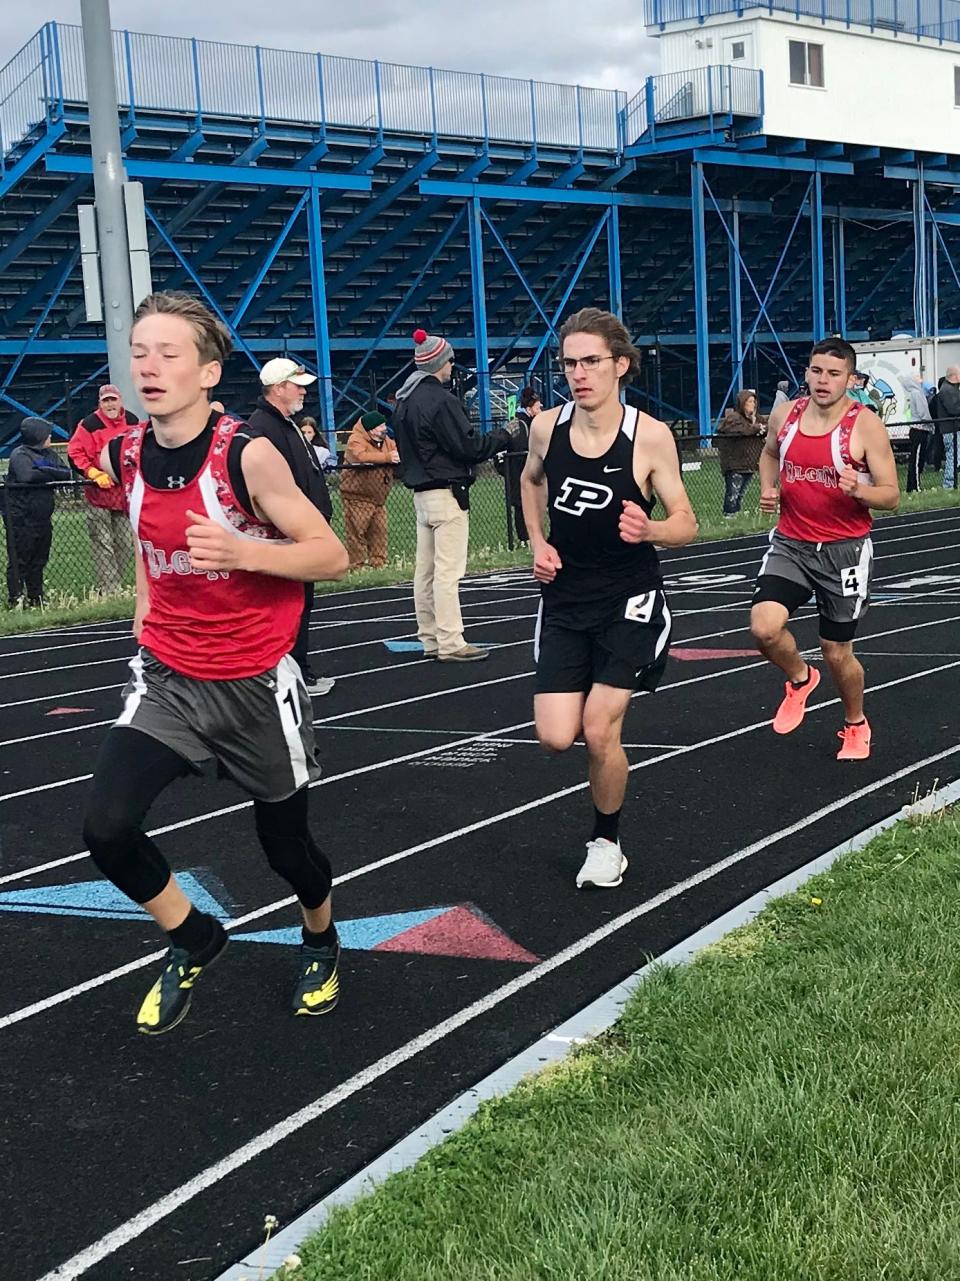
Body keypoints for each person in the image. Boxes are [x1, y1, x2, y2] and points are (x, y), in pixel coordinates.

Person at [81, 291, 349, 1035]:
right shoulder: (125, 451)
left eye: (169, 354)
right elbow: (141, 525)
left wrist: (243, 552)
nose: (149, 366)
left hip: (257, 680)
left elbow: (333, 552)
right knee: (105, 828)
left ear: (208, 372)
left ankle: (321, 938)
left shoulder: (247, 452)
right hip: (168, 675)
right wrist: (145, 593)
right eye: (139, 352)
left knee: (286, 850)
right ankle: (194, 936)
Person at [520, 307, 697, 889]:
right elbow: (530, 479)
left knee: (599, 730)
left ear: (620, 365)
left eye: (591, 361)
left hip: (629, 598)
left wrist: (649, 530)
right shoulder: (546, 427)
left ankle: (607, 842)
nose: (579, 373)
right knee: (553, 736)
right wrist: (538, 541)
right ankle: (604, 814)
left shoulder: (649, 436)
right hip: (566, 598)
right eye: (570, 363)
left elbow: (686, 522)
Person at [751, 337, 899, 762]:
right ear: (806, 373)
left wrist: (860, 489)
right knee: (763, 627)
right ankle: (800, 678)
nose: (823, 380)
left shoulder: (865, 425)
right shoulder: (787, 415)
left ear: (849, 380)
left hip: (845, 551)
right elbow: (768, 454)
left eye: (834, 374)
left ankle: (855, 723)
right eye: (816, 371)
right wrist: (769, 486)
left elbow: (891, 496)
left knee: (837, 652)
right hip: (793, 542)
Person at [391, 326, 510, 662]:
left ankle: (429, 637)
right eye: (449, 361)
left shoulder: (404, 400)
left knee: (425, 571)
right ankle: (451, 641)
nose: (451, 367)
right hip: (446, 492)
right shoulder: (442, 401)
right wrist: (504, 435)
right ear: (438, 362)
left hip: (420, 495)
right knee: (447, 573)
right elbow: (469, 446)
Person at [248, 359, 335, 697]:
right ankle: (290, 672)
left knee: (301, 604)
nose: (303, 390)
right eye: (297, 384)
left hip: (301, 531)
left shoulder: (286, 424)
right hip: (287, 535)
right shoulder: (264, 427)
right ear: (279, 388)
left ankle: (299, 669)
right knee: (289, 605)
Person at [67, 384, 139, 594]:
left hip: (123, 496)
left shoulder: (133, 421)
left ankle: (112, 584)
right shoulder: (89, 424)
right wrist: (93, 473)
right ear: (100, 403)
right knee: (103, 543)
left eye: (113, 400)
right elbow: (75, 453)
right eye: (106, 401)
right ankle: (110, 589)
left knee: (125, 544)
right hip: (99, 495)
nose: (110, 404)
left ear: (120, 401)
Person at [2, 416, 72, 608]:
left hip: (42, 516)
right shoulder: (20, 454)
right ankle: (16, 598)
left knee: (39, 558)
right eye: (46, 433)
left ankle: (36, 596)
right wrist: (49, 472)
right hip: (21, 518)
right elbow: (26, 475)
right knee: (20, 560)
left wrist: (43, 468)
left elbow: (65, 472)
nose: (50, 436)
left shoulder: (48, 454)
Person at [340, 411, 399, 570]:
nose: (384, 428)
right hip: (358, 497)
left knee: (379, 532)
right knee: (356, 534)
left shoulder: (386, 441)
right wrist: (387, 458)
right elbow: (360, 457)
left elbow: (397, 451)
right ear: (371, 429)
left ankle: (378, 564)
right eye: (380, 426)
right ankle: (356, 566)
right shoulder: (356, 440)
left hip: (379, 498)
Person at [495, 386, 541, 543]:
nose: (541, 409)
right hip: (519, 474)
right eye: (538, 407)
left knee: (524, 506)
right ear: (529, 408)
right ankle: (525, 538)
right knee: (522, 507)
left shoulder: (520, 423)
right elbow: (522, 451)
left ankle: (526, 538)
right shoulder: (522, 426)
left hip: (516, 474)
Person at [715, 389, 766, 517]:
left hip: (750, 462)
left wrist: (758, 426)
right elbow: (741, 430)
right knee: (733, 492)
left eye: (754, 402)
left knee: (741, 493)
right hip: (735, 463)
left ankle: (736, 514)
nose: (752, 404)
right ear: (742, 403)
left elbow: (767, 426)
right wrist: (756, 428)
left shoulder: (756, 418)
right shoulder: (734, 418)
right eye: (749, 402)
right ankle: (729, 515)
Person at [904, 372, 934, 493]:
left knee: (917, 458)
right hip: (919, 429)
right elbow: (923, 413)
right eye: (917, 377)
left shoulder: (916, 393)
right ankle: (915, 487)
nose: (920, 380)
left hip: (919, 429)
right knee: (916, 460)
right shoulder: (917, 393)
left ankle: (912, 486)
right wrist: (931, 424)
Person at [933, 365, 960, 489]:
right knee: (953, 457)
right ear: (955, 376)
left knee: (955, 456)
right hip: (951, 430)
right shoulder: (948, 391)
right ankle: (949, 484)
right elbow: (954, 409)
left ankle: (951, 482)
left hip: (952, 429)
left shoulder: (950, 389)